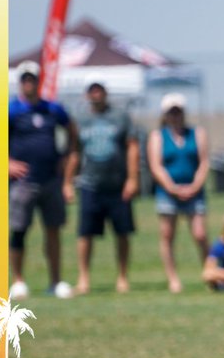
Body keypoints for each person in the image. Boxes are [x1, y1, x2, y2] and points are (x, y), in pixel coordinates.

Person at [8, 60, 78, 300]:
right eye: (25, 79)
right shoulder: (12, 110)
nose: (29, 83)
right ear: (20, 83)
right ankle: (18, 281)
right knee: (19, 230)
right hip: (22, 182)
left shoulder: (52, 110)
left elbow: (72, 132)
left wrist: (66, 161)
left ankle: (55, 280)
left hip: (51, 180)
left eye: (33, 79)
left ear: (39, 81)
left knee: (53, 231)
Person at [69, 83, 140, 295]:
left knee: (122, 233)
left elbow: (132, 147)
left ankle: (123, 277)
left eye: (99, 89)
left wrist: (133, 179)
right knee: (85, 233)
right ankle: (83, 279)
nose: (96, 94)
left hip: (118, 185)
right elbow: (74, 151)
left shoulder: (120, 116)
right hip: (90, 184)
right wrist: (67, 181)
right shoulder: (80, 119)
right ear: (87, 94)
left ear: (106, 92)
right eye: (92, 90)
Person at [148, 93, 211, 293]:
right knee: (167, 235)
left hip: (195, 191)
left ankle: (210, 274)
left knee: (200, 235)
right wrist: (172, 188)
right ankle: (173, 279)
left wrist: (194, 186)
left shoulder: (197, 133)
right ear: (165, 114)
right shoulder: (158, 136)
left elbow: (204, 162)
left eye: (178, 111)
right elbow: (156, 166)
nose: (175, 115)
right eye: (171, 112)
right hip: (168, 193)